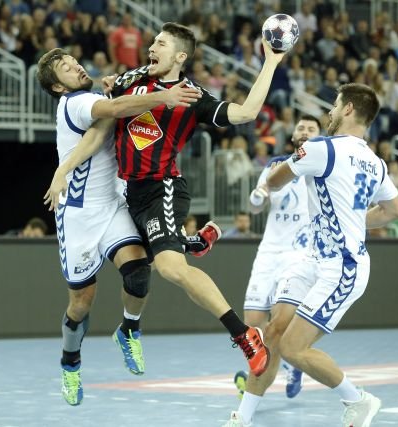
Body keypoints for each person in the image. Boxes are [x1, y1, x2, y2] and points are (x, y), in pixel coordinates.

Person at [104, 22, 286, 377]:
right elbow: (111, 101)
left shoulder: (193, 96)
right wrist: (108, 85)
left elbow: (246, 113)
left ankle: (244, 334)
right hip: (126, 192)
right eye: (153, 42)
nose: (151, 47)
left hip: (162, 189)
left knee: (171, 268)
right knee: (136, 270)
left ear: (180, 57)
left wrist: (270, 63)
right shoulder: (133, 78)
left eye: (161, 44)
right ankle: (187, 245)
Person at [224, 83, 398, 427]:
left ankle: (358, 400)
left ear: (348, 109)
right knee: (273, 333)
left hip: (343, 269)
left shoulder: (323, 148)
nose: (330, 112)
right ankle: (242, 418)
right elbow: (394, 210)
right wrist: (355, 221)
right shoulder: (376, 163)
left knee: (292, 348)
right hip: (312, 260)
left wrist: (292, 162)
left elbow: (275, 181)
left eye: (335, 105)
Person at [36, 47, 203, 406]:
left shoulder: (98, 98)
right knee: (81, 302)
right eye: (66, 68)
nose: (77, 67)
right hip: (78, 216)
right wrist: (164, 97)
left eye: (75, 61)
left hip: (112, 205)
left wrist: (128, 85)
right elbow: (113, 112)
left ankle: (129, 328)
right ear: (58, 87)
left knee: (139, 270)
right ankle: (70, 362)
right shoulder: (74, 103)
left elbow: (102, 128)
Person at [233, 115, 321, 402]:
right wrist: (258, 196)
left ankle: (263, 379)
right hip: (268, 253)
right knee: (253, 326)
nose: (305, 131)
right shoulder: (275, 166)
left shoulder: (322, 167)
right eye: (301, 128)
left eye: (311, 129)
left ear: (320, 137)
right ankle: (277, 366)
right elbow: (255, 206)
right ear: (293, 135)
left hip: (299, 255)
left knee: (279, 324)